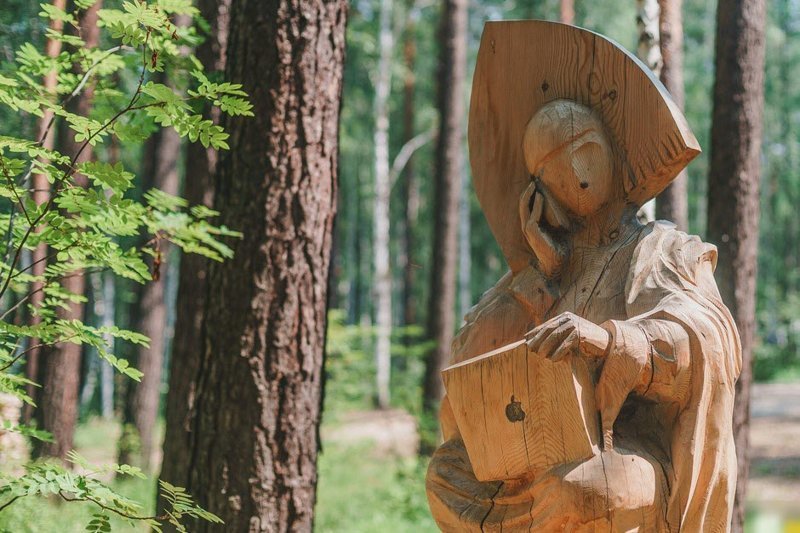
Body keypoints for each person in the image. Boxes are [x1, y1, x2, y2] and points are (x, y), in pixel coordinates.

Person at [426, 100, 741, 532]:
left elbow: (709, 337)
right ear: (537, 190)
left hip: (632, 452)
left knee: (580, 489)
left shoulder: (665, 250)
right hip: (541, 445)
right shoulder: (545, 269)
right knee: (448, 472)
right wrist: (540, 281)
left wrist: (613, 340)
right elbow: (473, 359)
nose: (576, 169)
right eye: (553, 164)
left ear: (613, 150)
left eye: (585, 147)